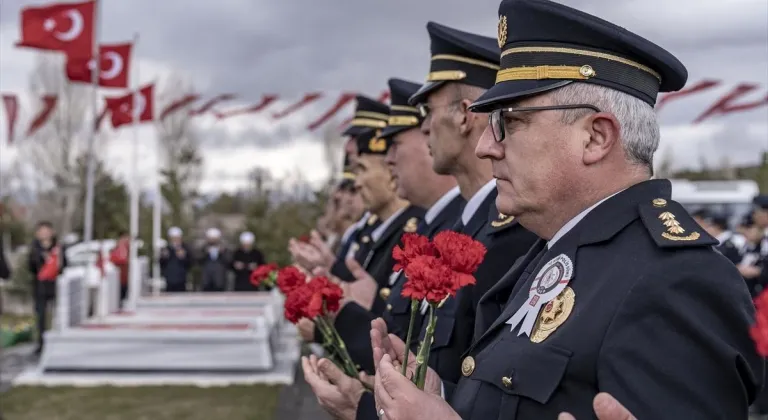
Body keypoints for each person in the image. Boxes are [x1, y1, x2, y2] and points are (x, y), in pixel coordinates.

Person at [371, 1, 762, 419]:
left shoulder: (677, 281)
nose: (486, 146)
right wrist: (444, 399)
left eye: (510, 123)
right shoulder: (561, 252)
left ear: (596, 137)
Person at [406, 21, 539, 387]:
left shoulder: (515, 233)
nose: (424, 128)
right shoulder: (463, 225)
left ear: (465, 114)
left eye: (428, 110)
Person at [27, 221, 67, 355]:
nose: (44, 234)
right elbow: (31, 267)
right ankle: (41, 343)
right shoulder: (34, 248)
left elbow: (65, 265)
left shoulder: (59, 247)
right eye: (41, 231)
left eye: (46, 230)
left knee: (59, 314)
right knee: (41, 317)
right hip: (40, 287)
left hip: (55, 285)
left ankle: (59, 341)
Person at [159, 227, 192, 292]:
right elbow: (161, 263)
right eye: (173, 238)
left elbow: (190, 264)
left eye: (177, 238)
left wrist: (183, 257)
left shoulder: (185, 248)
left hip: (181, 280)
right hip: (169, 279)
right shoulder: (166, 249)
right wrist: (164, 257)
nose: (175, 240)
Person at [199, 228, 231, 292]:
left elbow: (229, 261)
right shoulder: (203, 248)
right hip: (207, 281)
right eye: (211, 238)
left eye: (214, 238)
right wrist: (205, 253)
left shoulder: (224, 248)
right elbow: (198, 261)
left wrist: (222, 253)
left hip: (220, 281)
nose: (213, 240)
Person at [108, 231, 131, 308]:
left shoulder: (125, 247)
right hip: (121, 276)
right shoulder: (122, 246)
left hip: (123, 276)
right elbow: (121, 259)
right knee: (120, 294)